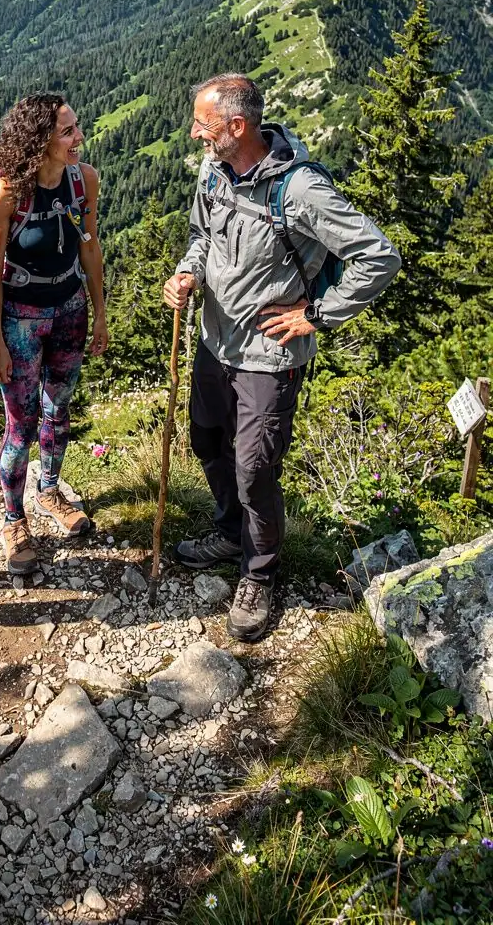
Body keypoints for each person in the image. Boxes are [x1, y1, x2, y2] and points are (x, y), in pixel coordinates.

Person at [163, 73, 400, 642]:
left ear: (236, 127)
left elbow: (378, 256)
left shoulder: (300, 190)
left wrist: (315, 315)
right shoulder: (214, 171)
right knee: (205, 440)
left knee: (255, 469)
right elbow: (202, 232)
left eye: (203, 124)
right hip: (214, 343)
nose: (195, 133)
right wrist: (189, 271)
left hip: (268, 356)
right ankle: (229, 531)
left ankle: (259, 572)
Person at [0, 94, 108, 575]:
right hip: (20, 317)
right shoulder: (8, 194)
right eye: (67, 132)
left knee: (59, 407)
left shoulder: (83, 180)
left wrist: (99, 314)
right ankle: (14, 520)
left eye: (77, 128)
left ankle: (50, 490)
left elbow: (91, 249)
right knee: (22, 422)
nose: (78, 139)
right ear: (39, 140)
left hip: (69, 307)